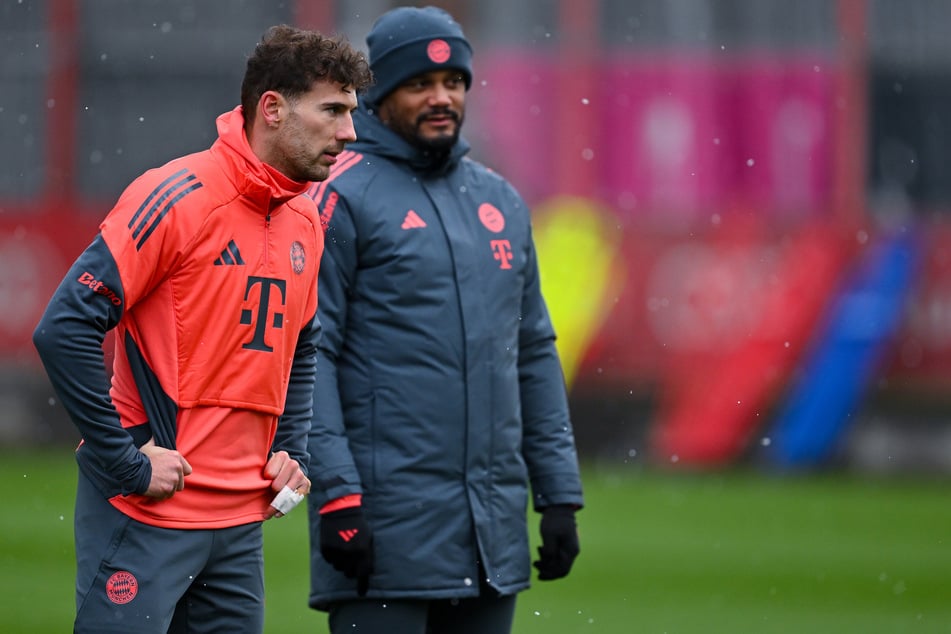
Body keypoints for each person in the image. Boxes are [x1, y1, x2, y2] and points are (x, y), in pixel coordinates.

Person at [32, 25, 371, 634]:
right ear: (272, 108)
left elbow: (302, 341)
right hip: (146, 513)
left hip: (239, 529)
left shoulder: (305, 219)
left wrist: (288, 448)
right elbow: (64, 328)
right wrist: (125, 462)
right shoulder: (176, 196)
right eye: (334, 110)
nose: (349, 132)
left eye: (351, 112)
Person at [304, 6, 584, 633]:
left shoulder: (500, 200)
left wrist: (559, 494)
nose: (442, 98)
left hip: (491, 539)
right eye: (419, 84)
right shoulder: (338, 196)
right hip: (379, 534)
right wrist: (337, 494)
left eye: (454, 82)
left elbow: (533, 351)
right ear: (378, 93)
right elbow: (309, 359)